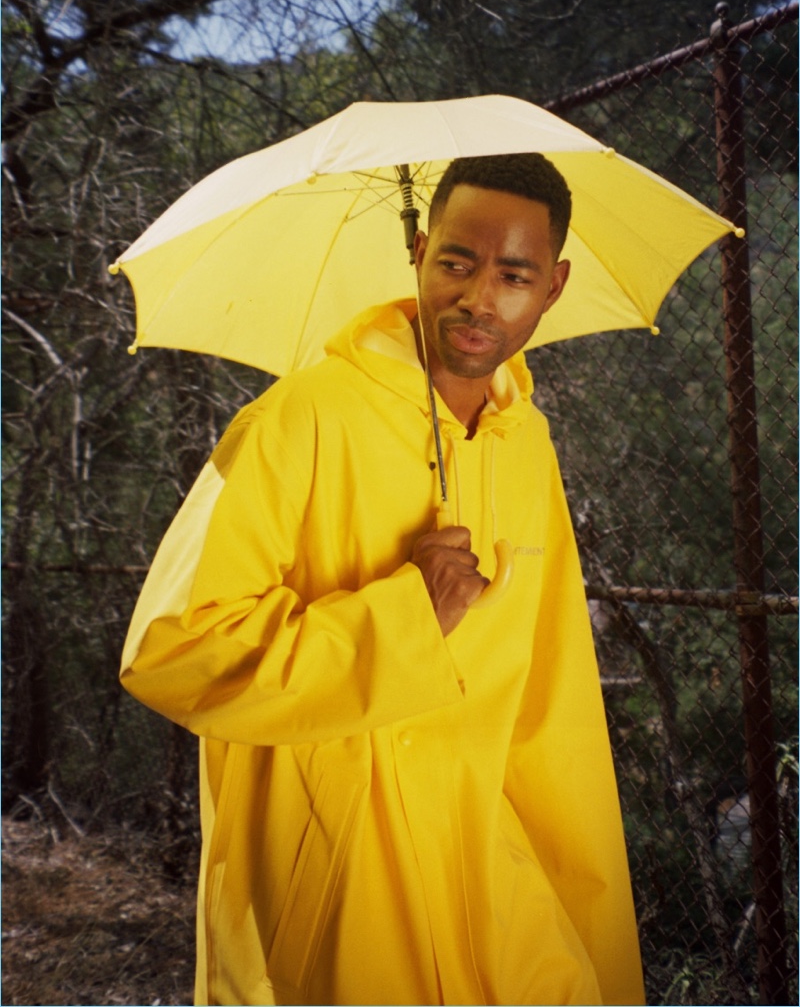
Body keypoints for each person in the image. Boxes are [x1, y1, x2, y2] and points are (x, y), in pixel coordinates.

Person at [120, 152, 644, 1007]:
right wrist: (403, 617)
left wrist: (583, 901)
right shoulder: (300, 417)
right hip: (335, 878)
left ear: (553, 288)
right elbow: (172, 650)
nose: (479, 298)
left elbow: (555, 702)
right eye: (457, 263)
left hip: (490, 870)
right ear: (416, 247)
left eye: (514, 275)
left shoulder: (527, 444)